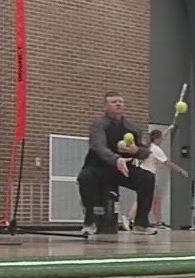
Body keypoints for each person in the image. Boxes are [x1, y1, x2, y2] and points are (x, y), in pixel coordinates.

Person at [77, 91, 157, 235]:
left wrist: (136, 150)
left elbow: (145, 151)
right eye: (114, 102)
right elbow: (98, 146)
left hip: (123, 169)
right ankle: (90, 222)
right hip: (98, 167)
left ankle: (141, 223)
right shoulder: (99, 125)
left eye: (121, 101)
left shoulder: (132, 127)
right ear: (105, 106)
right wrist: (116, 159)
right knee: (85, 178)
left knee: (147, 178)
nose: (118, 104)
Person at [123, 129, 186, 230]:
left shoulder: (150, 146)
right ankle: (129, 217)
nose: (162, 140)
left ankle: (157, 222)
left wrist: (168, 130)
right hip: (147, 175)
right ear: (157, 139)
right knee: (144, 198)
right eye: (161, 138)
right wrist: (181, 170)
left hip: (145, 174)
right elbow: (167, 163)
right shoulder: (156, 149)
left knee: (156, 198)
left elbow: (162, 137)